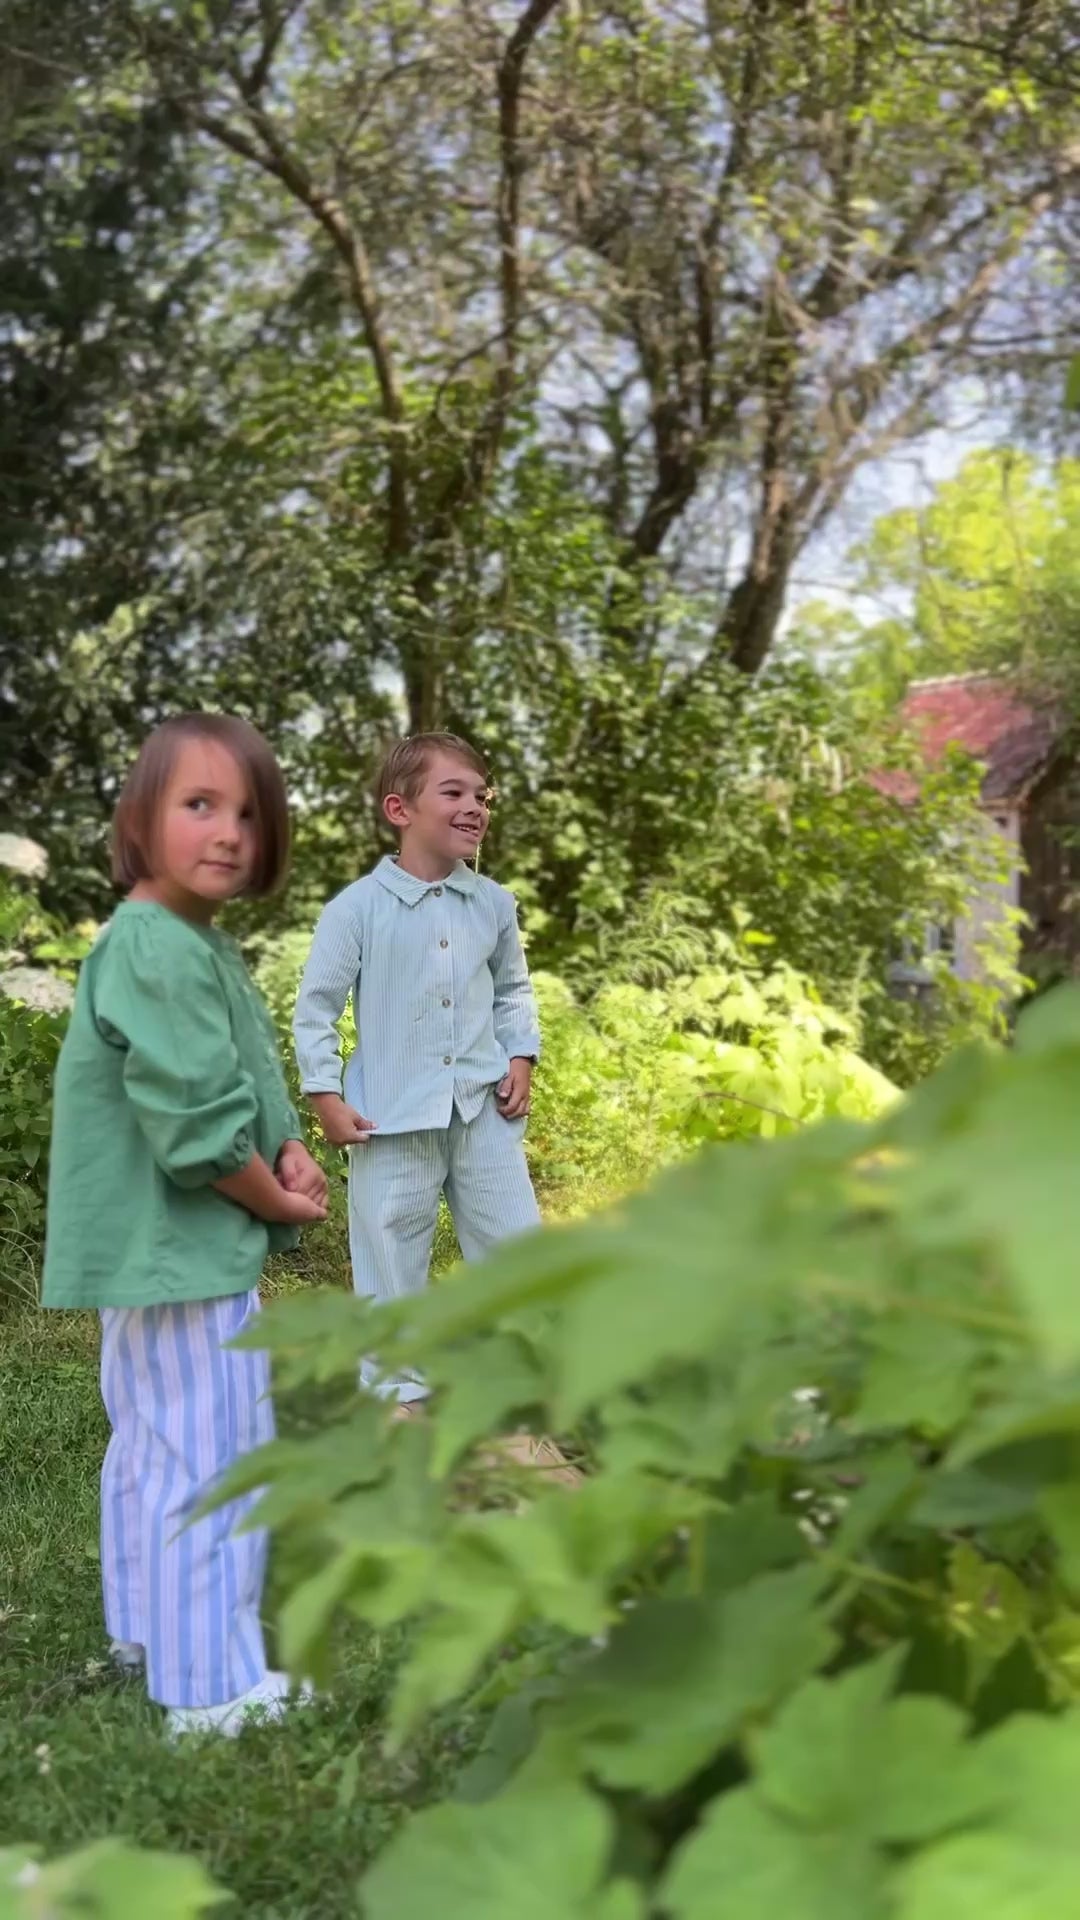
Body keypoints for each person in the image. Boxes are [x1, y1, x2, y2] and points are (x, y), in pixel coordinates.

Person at [42, 713, 329, 1737]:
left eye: (248, 812)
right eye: (199, 804)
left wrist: (287, 1144)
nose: (229, 832)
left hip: (157, 1253)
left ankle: (151, 1634)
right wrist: (273, 1197)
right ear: (139, 819)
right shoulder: (159, 948)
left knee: (157, 1448)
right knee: (213, 1458)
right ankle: (207, 1687)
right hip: (183, 1249)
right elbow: (199, 1131)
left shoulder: (182, 941)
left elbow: (236, 1076)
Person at [293, 732, 541, 1409]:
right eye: (454, 792)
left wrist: (521, 1054)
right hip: (390, 1114)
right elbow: (316, 1009)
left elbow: (513, 989)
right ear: (400, 809)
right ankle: (397, 1386)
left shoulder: (493, 904)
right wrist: (324, 1094)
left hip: (482, 1108)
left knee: (515, 1240)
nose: (475, 807)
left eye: (482, 796)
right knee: (391, 1243)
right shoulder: (356, 910)